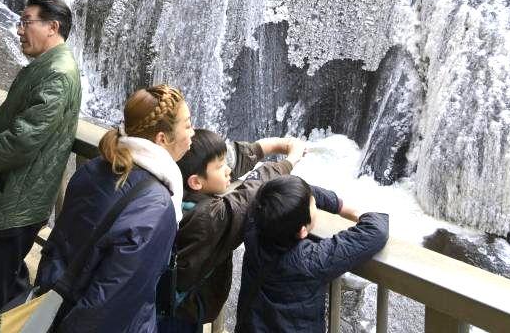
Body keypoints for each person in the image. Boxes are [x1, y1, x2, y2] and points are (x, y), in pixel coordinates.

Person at [0, 0, 81, 333]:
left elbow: (22, 140)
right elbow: (9, 120)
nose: (19, 29)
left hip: (13, 206)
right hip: (10, 200)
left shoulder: (57, 74)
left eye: (26, 22)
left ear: (52, 27)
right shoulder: (45, 67)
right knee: (2, 286)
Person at [35, 84, 193, 332]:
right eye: (188, 124)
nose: (192, 132)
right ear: (162, 139)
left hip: (55, 300)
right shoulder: (157, 207)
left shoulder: (95, 167)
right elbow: (111, 303)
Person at [159, 130, 306, 331]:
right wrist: (289, 161)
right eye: (221, 167)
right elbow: (250, 195)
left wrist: (266, 147)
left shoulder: (170, 184)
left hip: (161, 302)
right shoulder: (210, 219)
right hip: (179, 314)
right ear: (196, 182)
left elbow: (224, 162)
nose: (228, 170)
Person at [235, 176, 388, 333]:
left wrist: (336, 204)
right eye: (313, 204)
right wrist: (355, 212)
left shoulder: (254, 223)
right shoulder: (311, 260)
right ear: (302, 231)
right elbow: (376, 231)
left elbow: (279, 190)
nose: (314, 201)